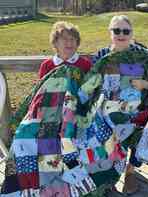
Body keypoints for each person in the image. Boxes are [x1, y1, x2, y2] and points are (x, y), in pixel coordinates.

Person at [1, 21, 94, 196]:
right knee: (24, 139)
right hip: (47, 115)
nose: (69, 43)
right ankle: (30, 184)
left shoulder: (84, 64)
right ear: (55, 43)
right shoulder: (48, 65)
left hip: (72, 115)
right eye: (64, 39)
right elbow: (40, 93)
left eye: (73, 39)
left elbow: (88, 91)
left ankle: (68, 183)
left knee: (70, 142)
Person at [91, 15, 148, 195]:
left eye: (125, 31)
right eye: (116, 30)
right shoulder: (102, 55)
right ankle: (109, 173)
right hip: (106, 106)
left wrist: (144, 84)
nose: (121, 34)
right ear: (110, 33)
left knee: (136, 123)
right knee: (107, 121)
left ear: (131, 33)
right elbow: (92, 84)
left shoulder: (142, 55)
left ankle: (130, 171)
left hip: (136, 105)